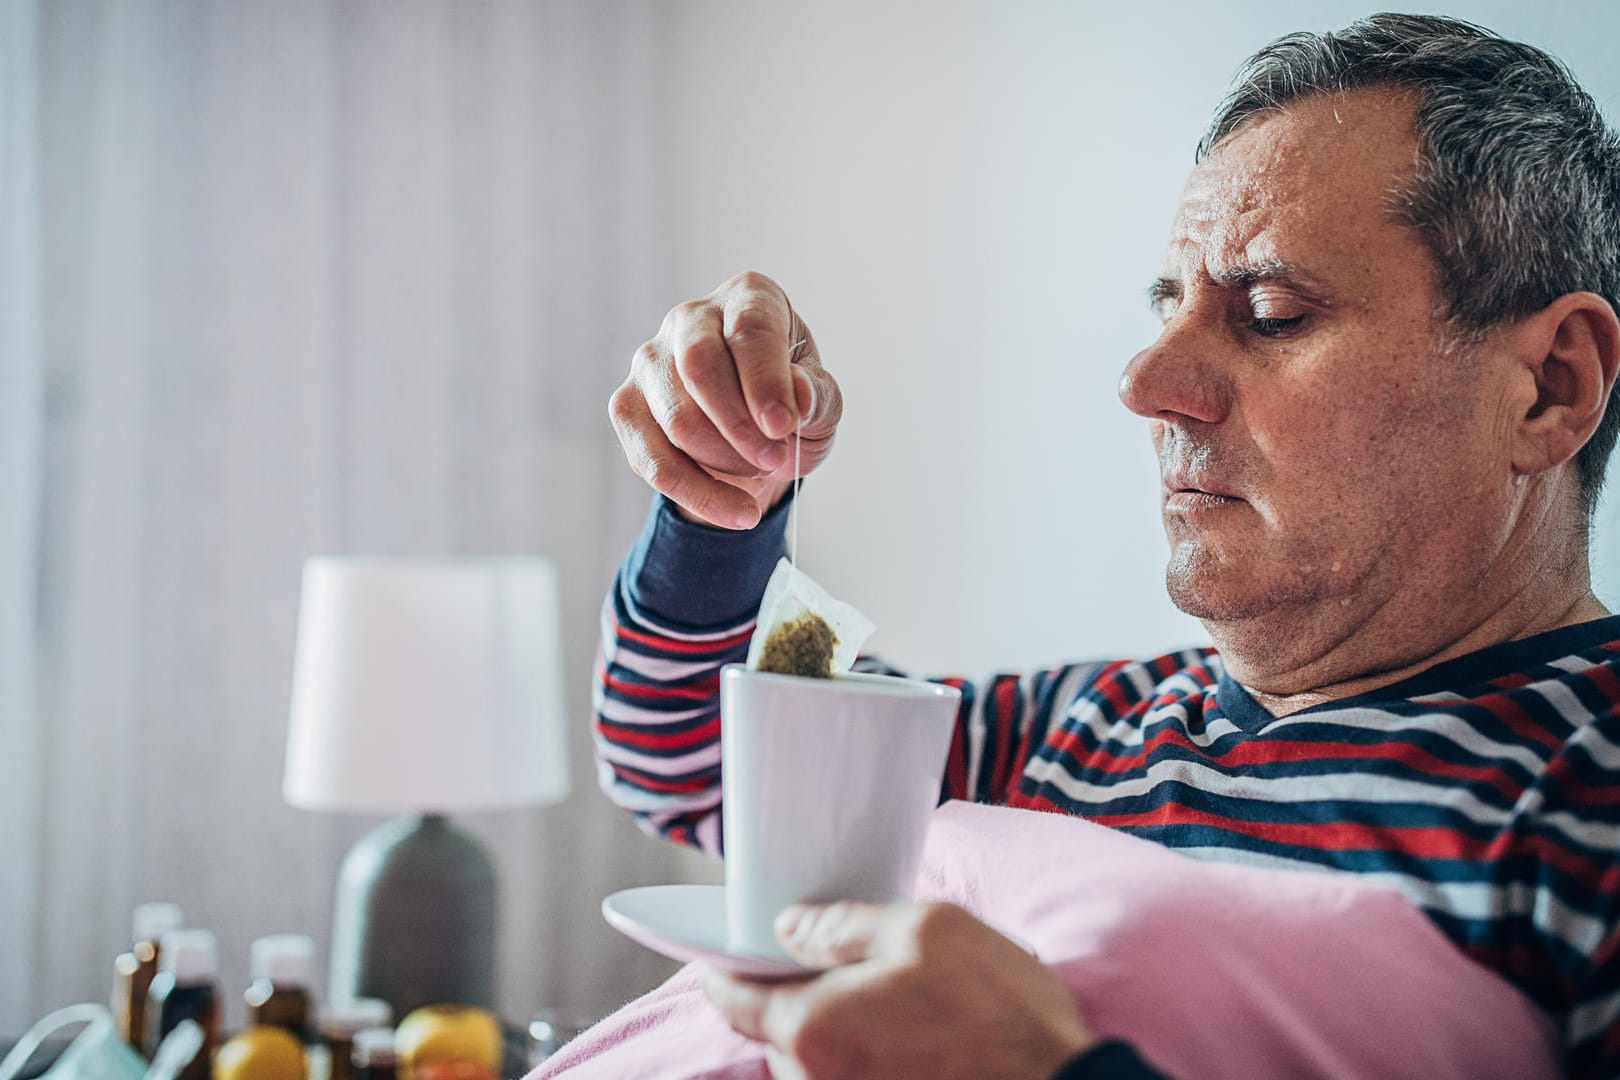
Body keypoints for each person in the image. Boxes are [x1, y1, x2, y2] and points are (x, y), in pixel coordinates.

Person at [596, 13, 1620, 1079]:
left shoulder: (1588, 790)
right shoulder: (1071, 733)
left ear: (1551, 387)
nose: (1144, 385)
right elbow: (693, 762)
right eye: (1166, 307)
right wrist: (721, 504)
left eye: (1269, 314)